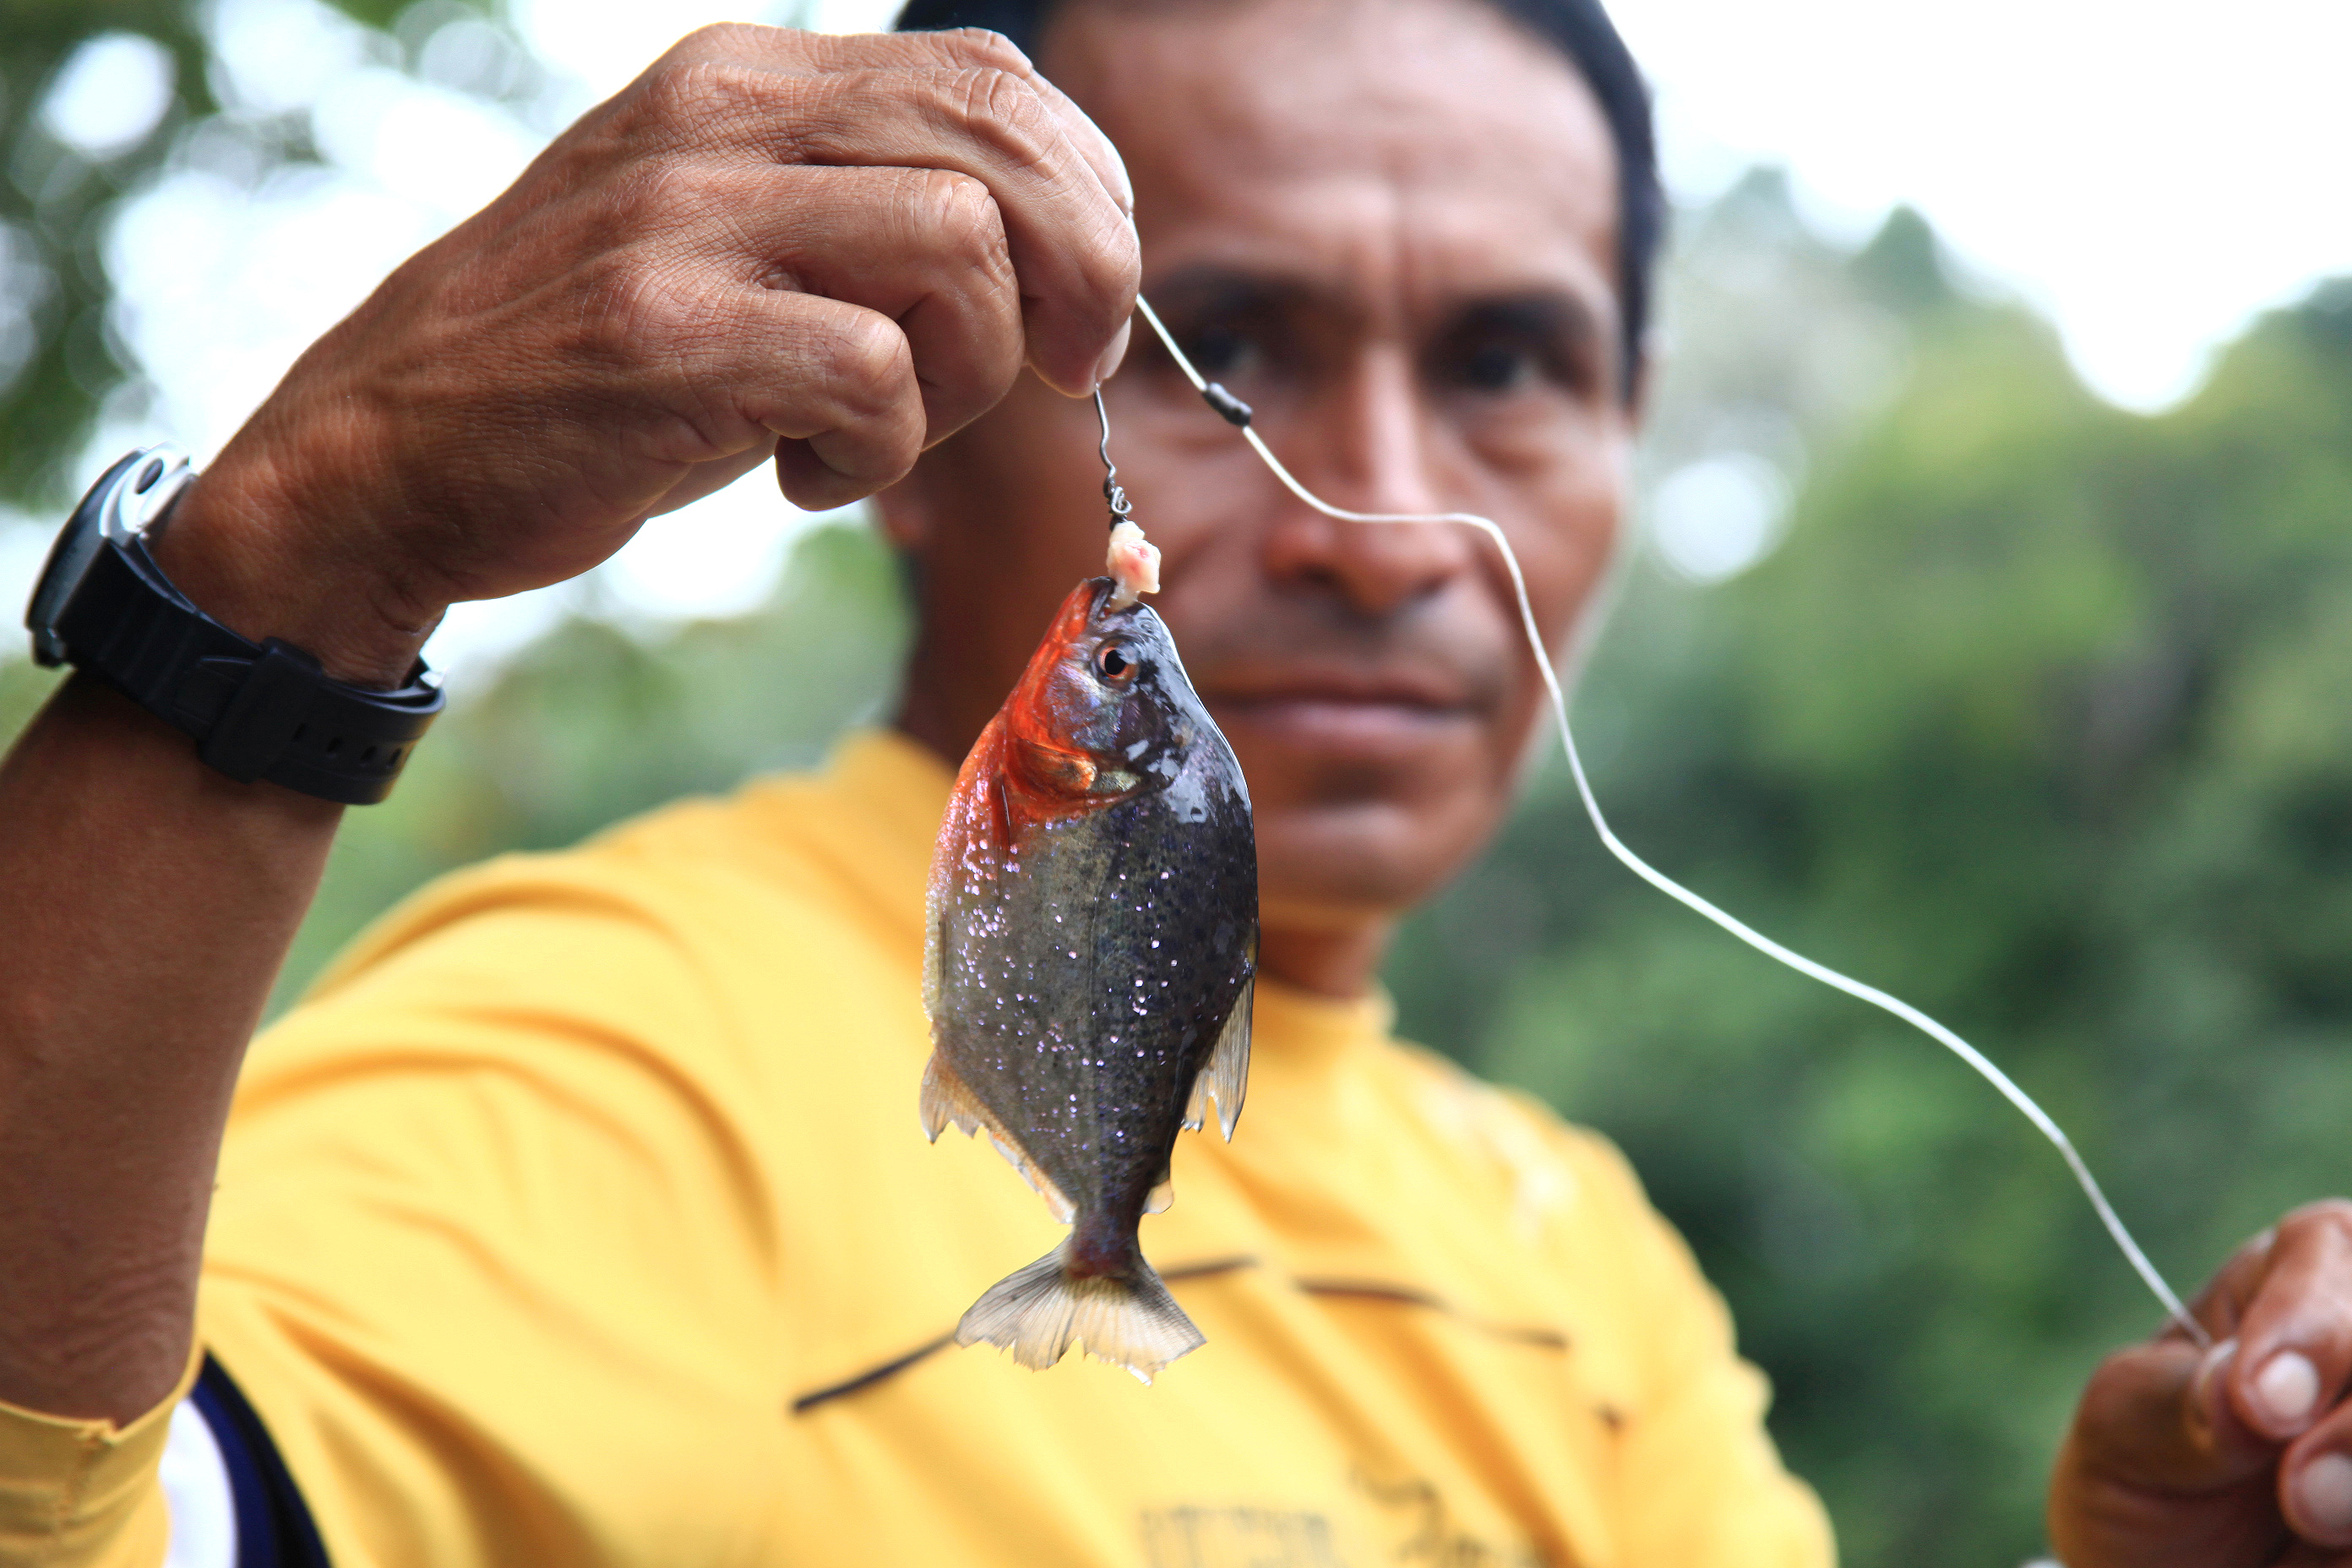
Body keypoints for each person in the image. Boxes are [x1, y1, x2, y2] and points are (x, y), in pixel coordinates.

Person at [3, 0, 2349, 1562]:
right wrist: (299, 560)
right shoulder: (603, 1042)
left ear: (1639, 439)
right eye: (1219, 344)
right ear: (887, 424)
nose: (1373, 522)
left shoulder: (1581, 1245)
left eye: (1516, 362)